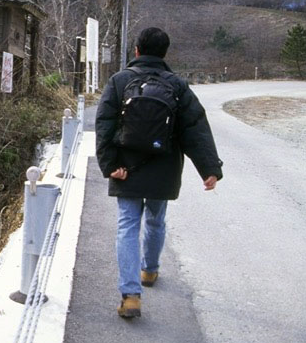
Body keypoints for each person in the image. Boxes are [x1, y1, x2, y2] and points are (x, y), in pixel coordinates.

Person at [95, 27, 223, 319]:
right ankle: (150, 271)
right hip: (163, 167)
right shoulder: (177, 86)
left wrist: (110, 165)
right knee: (155, 220)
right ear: (165, 53)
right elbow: (195, 128)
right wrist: (209, 169)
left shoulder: (119, 81)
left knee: (127, 225)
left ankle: (130, 296)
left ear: (137, 50)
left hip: (125, 168)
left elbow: (104, 125)